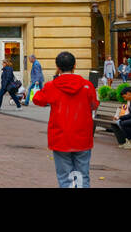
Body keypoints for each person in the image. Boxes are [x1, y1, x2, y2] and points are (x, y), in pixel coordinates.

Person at [32, 51, 100, 188]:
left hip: (60, 136)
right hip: (82, 136)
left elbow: (37, 99)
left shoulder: (52, 86)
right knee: (82, 175)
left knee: (64, 176)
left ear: (57, 67)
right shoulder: (87, 85)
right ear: (74, 65)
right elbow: (94, 105)